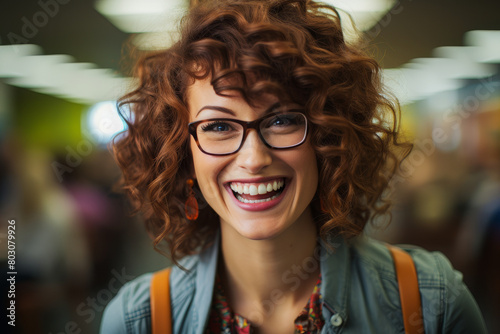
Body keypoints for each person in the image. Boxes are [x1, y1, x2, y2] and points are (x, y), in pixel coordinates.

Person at [100, 0, 487, 333]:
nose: (253, 159)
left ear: (328, 139)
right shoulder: (140, 320)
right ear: (182, 155)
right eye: (218, 126)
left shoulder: (429, 304)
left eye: (282, 120)